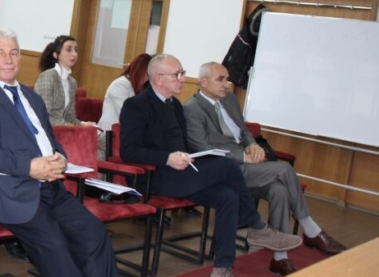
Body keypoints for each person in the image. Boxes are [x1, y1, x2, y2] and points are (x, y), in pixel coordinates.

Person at [0, 27, 118, 277]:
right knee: (57, 249)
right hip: (11, 192)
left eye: (14, 53)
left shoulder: (32, 97)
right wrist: (29, 167)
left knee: (95, 235)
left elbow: (51, 140)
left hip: (53, 190)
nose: (8, 60)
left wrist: (61, 159)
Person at [119, 54, 303, 277]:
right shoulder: (136, 106)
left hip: (182, 174)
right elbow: (129, 151)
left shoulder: (175, 105)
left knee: (228, 196)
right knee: (226, 166)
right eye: (177, 74)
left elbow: (185, 145)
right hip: (154, 177)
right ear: (158, 78)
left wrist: (201, 155)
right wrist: (167, 158)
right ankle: (257, 227)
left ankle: (222, 268)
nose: (183, 79)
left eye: (182, 73)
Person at [184, 62, 347, 275]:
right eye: (220, 79)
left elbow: (243, 132)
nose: (227, 84)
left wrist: (253, 146)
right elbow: (204, 149)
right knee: (284, 170)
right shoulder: (192, 109)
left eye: (227, 79)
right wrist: (244, 156)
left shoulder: (229, 99)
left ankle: (280, 257)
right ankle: (310, 228)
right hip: (223, 170)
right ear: (203, 82)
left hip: (247, 169)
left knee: (279, 190)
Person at [34, 35, 96, 127]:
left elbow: (70, 117)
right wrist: (67, 126)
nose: (74, 54)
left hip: (64, 129)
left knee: (96, 132)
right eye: (68, 50)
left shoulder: (72, 82)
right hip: (46, 129)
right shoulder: (48, 76)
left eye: (76, 50)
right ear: (56, 55)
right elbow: (44, 115)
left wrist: (84, 124)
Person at [98, 53, 152, 158]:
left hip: (126, 134)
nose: (147, 78)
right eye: (146, 74)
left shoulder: (139, 87)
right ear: (138, 70)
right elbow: (126, 115)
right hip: (109, 135)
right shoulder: (120, 85)